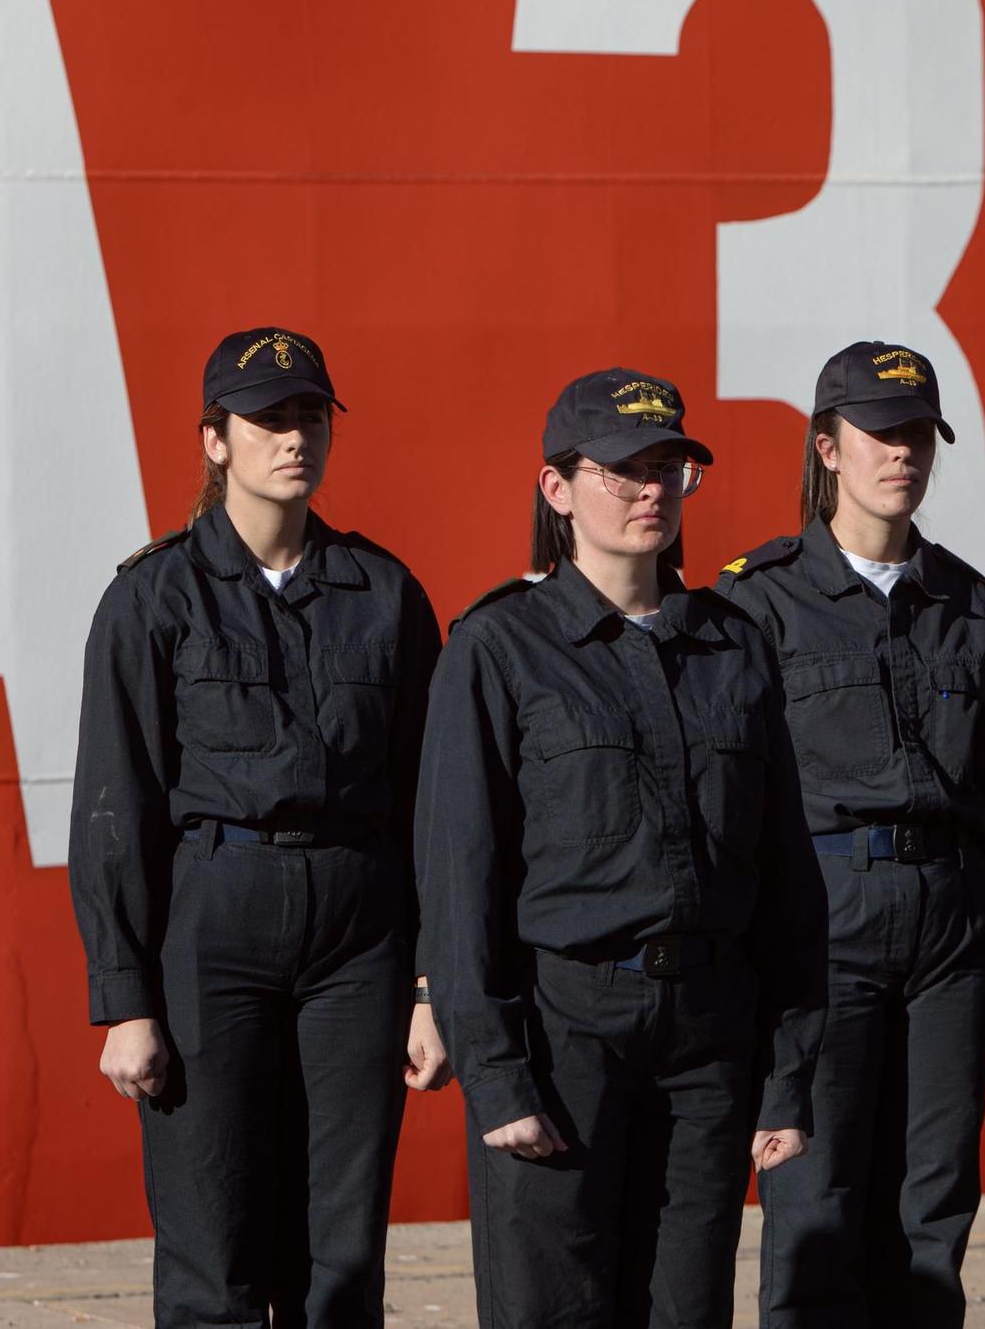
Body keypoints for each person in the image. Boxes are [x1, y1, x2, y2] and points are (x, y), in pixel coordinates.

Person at [415, 368, 827, 1327]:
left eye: (670, 466)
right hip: (566, 1036)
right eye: (625, 469)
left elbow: (786, 880)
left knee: (688, 1308)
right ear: (557, 489)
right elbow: (460, 871)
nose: (652, 489)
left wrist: (786, 1073)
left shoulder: (734, 646)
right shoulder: (498, 648)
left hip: (708, 1041)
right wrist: (496, 1073)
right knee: (555, 1308)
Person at [68, 326, 447, 1326]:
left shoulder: (386, 596)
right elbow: (115, 805)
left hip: (357, 937)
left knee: (340, 1246)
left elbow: (429, 807)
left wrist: (428, 983)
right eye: (268, 419)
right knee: (212, 1237)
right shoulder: (153, 597)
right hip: (213, 925)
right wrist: (125, 998)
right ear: (213, 440)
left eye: (310, 417)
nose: (294, 438)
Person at [716, 341, 985, 1327]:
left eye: (917, 436)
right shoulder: (757, 601)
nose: (901, 454)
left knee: (931, 1212)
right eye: (880, 434)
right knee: (816, 1205)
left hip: (950, 933)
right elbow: (731, 806)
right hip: (823, 930)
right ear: (826, 446)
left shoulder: (969, 604)